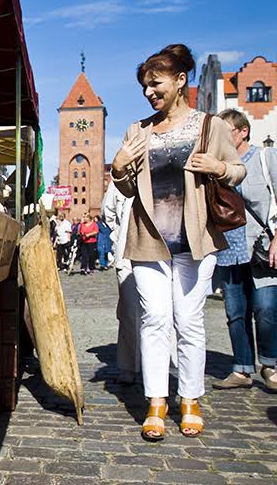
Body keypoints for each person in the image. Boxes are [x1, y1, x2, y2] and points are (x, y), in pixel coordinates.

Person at [111, 44, 245, 441]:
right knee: (153, 320)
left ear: (180, 80)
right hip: (150, 239)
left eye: (155, 84)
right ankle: (156, 401)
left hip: (195, 238)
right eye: (144, 87)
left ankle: (190, 398)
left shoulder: (210, 126)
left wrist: (219, 167)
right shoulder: (138, 131)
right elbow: (129, 186)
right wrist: (119, 169)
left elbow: (236, 169)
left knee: (188, 321)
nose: (149, 92)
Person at [212, 109, 277, 392]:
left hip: (261, 247)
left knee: (266, 308)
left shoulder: (266, 158)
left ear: (243, 131)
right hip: (229, 248)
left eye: (225, 132)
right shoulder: (217, 168)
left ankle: (270, 365)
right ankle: (242, 369)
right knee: (235, 312)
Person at [102, 182, 142, 384]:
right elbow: (107, 212)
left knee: (160, 311)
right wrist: (118, 235)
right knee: (129, 311)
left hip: (159, 251)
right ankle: (129, 365)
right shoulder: (118, 179)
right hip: (126, 253)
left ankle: (161, 364)